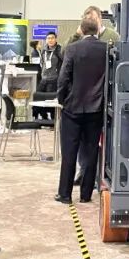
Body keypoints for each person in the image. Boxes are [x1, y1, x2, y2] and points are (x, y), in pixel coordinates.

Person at [55, 11, 108, 205]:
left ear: (82, 30)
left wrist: (62, 99)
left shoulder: (72, 49)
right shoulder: (106, 49)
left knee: (69, 152)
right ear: (98, 30)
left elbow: (63, 78)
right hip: (96, 109)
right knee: (92, 151)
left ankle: (65, 194)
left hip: (73, 108)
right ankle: (86, 194)